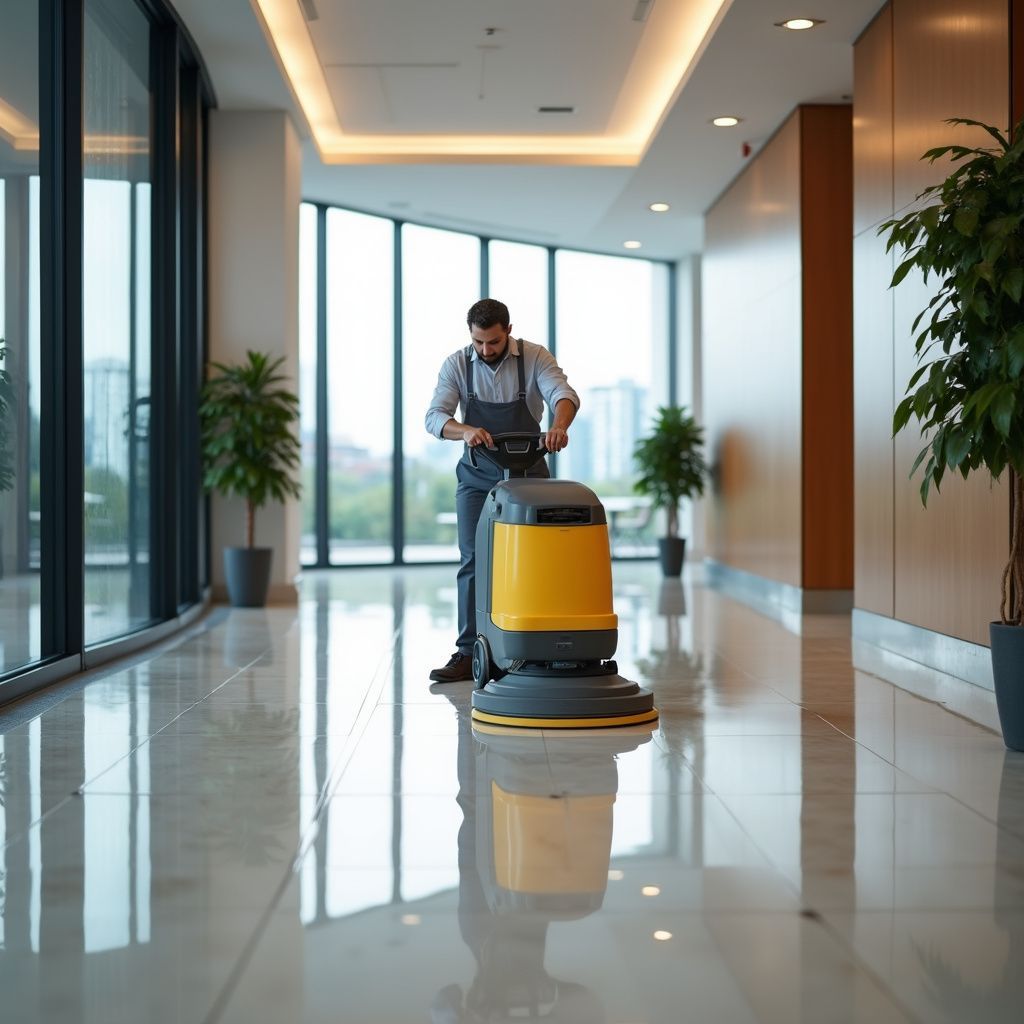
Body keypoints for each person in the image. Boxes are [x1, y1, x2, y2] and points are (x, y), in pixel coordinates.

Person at [425, 298, 579, 682]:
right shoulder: (457, 364)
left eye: (492, 342)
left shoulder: (534, 357)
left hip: (529, 479)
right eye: (478, 342)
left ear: (508, 331)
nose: (485, 350)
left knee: (537, 561)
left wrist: (559, 426)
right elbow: (435, 417)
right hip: (477, 477)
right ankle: (467, 652)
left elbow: (564, 395)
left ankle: (537, 647)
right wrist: (465, 430)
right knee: (473, 561)